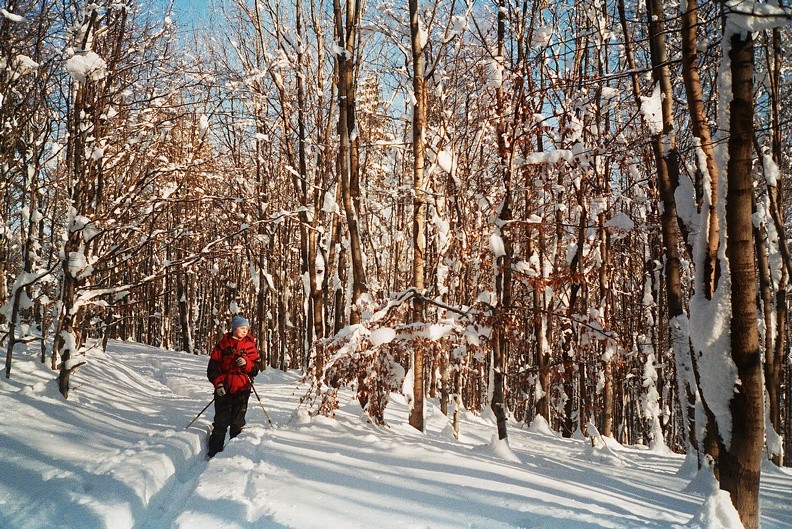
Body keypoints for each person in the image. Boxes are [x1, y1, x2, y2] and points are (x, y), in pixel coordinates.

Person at [206, 314, 260, 458]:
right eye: (242, 328)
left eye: (246, 329)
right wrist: (218, 385)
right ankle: (213, 452)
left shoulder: (250, 345)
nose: (244, 331)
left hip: (243, 389)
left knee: (237, 423)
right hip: (224, 388)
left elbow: (256, 369)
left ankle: (233, 455)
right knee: (220, 422)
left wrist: (247, 364)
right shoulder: (222, 345)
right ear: (234, 328)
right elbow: (212, 369)